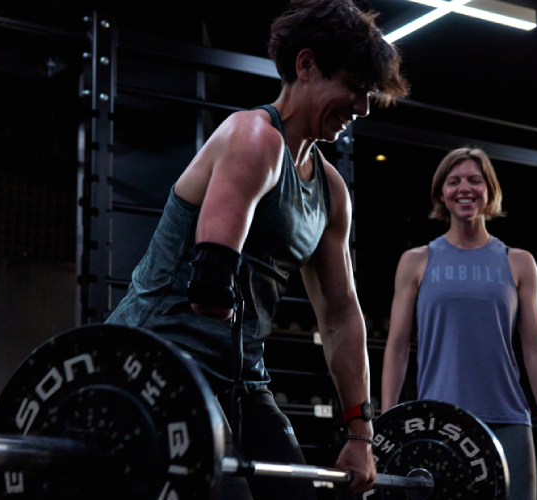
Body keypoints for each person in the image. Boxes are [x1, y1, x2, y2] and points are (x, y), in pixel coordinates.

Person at [105, 1, 408, 498]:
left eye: (369, 94)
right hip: (154, 357)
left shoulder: (331, 192)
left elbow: (340, 315)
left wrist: (361, 435)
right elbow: (210, 277)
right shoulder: (252, 137)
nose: (362, 107)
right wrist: (215, 280)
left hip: (241, 376)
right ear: (305, 65)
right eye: (353, 87)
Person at [381, 147, 537, 500]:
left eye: (474, 180)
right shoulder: (416, 261)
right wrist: (390, 424)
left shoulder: (519, 262)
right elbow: (398, 345)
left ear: (490, 191)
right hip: (438, 422)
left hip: (507, 419)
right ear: (441, 194)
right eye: (454, 181)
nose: (464, 188)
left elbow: (535, 347)